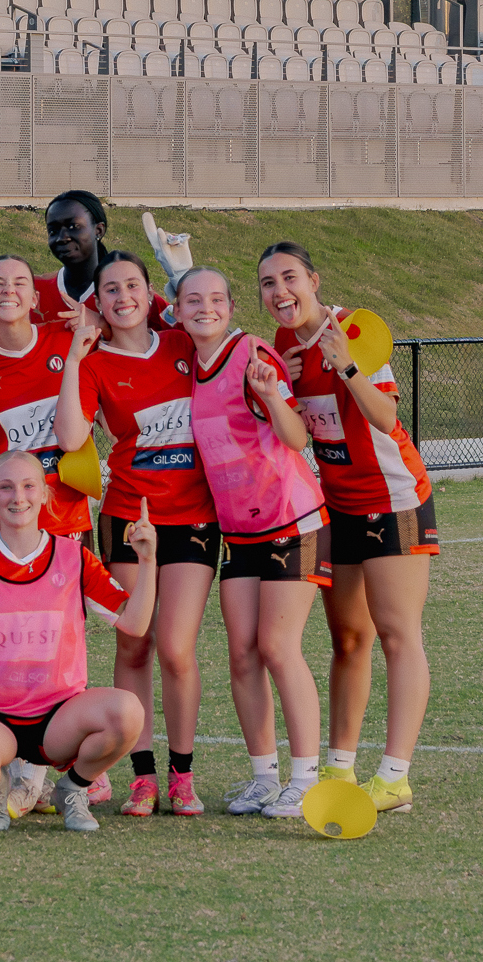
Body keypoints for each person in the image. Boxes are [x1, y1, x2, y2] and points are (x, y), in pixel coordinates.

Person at [262, 240, 433, 815]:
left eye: (290, 278)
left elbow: (386, 418)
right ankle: (339, 766)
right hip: (335, 505)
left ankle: (395, 776)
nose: (281, 292)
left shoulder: (353, 329)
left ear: (314, 280)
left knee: (395, 632)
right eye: (268, 284)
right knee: (348, 640)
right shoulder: (283, 343)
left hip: (392, 498)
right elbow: (302, 432)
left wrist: (348, 365)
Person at [0, 450, 154, 834]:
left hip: (57, 717)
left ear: (46, 495)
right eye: (5, 487)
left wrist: (148, 563)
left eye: (29, 486)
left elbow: (135, 624)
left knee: (128, 712)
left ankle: (72, 788)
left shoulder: (73, 557)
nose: (18, 497)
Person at [56, 249, 216, 816]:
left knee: (175, 648)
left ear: (151, 295)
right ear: (95, 302)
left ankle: (182, 775)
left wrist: (181, 270)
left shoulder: (180, 345)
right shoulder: (96, 362)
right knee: (134, 640)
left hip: (194, 515)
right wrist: (76, 357)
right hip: (129, 517)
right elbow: (70, 435)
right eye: (110, 290)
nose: (123, 297)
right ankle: (142, 778)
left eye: (133, 286)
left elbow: (215, 323)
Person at [174, 263, 328, 819]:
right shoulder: (188, 361)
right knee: (241, 653)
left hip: (292, 518)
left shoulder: (253, 354)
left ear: (232, 307)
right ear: (177, 310)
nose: (205, 308)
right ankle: (264, 777)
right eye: (193, 300)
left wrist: (272, 396)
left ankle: (306, 778)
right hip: (239, 529)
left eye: (217, 298)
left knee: (278, 647)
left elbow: (295, 438)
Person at [0, 251, 98, 815]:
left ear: (37, 298)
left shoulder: (69, 347)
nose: (9, 290)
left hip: (66, 524)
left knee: (63, 645)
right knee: (11, 643)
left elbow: (123, 304)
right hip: (8, 529)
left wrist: (83, 332)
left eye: (19, 282)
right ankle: (19, 765)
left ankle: (57, 767)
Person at [0, 194, 194, 325]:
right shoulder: (29, 293)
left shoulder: (130, 294)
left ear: (98, 230)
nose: (62, 237)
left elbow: (194, 345)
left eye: (74, 226)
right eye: (53, 230)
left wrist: (183, 279)